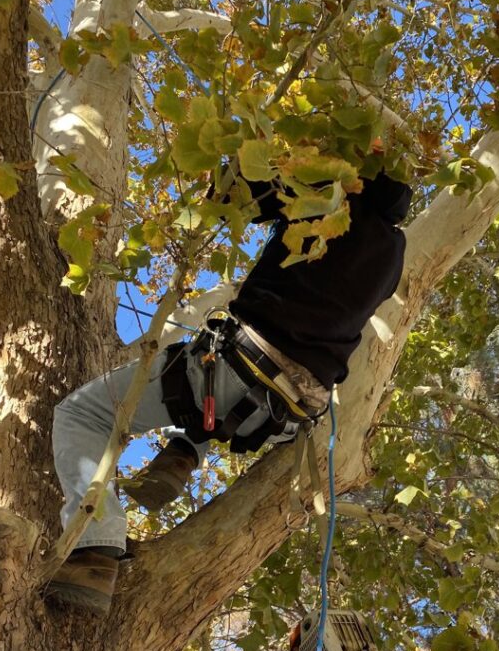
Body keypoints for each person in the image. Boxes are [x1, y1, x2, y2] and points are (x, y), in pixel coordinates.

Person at [45, 169, 412, 616]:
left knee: (82, 415)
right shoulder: (394, 251)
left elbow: (233, 194)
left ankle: (94, 549)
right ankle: (185, 452)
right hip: (286, 415)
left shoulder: (326, 194)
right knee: (211, 405)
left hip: (237, 369)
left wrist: (272, 159)